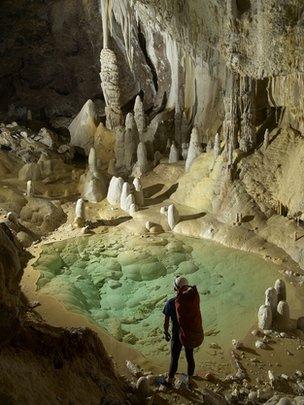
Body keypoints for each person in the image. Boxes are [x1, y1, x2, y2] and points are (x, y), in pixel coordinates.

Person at [163, 276, 204, 388]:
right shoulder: (192, 300)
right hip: (188, 334)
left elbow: (166, 322)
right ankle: (189, 381)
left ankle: (169, 382)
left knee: (174, 359)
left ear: (175, 289)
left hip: (177, 335)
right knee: (190, 357)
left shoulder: (171, 303)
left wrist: (166, 333)